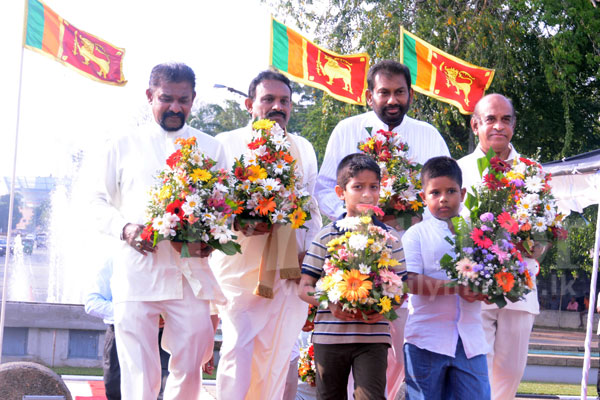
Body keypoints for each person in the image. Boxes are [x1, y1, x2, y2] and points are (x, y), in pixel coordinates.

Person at [314, 59, 450, 399]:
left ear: (411, 94)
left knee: (397, 351)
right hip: (351, 265)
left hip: (408, 260)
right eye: (384, 92)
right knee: (346, 362)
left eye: (399, 92)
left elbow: (444, 195)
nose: (392, 100)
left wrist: (412, 220)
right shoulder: (347, 129)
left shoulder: (428, 135)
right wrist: (359, 226)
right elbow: (324, 189)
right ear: (368, 95)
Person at [91, 62, 226, 400]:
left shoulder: (210, 147)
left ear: (194, 99)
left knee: (195, 349)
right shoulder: (121, 143)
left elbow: (224, 209)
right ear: (149, 96)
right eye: (166, 98)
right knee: (138, 367)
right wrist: (125, 229)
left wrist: (210, 239)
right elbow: (93, 202)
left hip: (189, 270)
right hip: (136, 269)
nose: (175, 107)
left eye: (184, 99)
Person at [210, 70, 322, 399]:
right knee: (238, 349)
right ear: (250, 104)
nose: (277, 106)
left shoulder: (303, 147)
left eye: (284, 101)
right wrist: (240, 221)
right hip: (239, 268)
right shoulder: (227, 144)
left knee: (278, 353)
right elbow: (213, 206)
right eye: (268, 99)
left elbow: (310, 208)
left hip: (289, 268)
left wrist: (311, 258)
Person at [299, 153, 405, 400]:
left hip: (373, 337)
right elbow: (304, 287)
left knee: (371, 397)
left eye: (373, 187)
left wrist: (387, 307)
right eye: (358, 187)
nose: (367, 194)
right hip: (330, 338)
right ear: (340, 192)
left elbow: (401, 287)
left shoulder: (389, 237)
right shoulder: (326, 235)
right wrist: (329, 303)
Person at [457, 93, 541, 400]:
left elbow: (543, 231)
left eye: (506, 119)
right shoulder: (457, 170)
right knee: (477, 367)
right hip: (475, 287)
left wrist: (537, 246)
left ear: (514, 125)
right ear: (475, 124)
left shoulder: (532, 172)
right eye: (490, 119)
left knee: (510, 372)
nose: (498, 126)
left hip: (521, 283)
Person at [402, 156, 490, 400]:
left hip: (471, 341)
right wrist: (456, 287)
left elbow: (491, 275)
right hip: (426, 340)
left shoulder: (479, 233)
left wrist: (490, 289)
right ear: (423, 197)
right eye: (435, 192)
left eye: (451, 191)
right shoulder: (415, 235)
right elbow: (409, 280)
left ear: (462, 193)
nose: (443, 198)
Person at [84, 260, 171, 400]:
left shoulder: (167, 258)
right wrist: (133, 313)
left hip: (161, 337)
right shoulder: (113, 260)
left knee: (160, 390)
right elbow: (92, 302)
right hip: (120, 332)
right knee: (116, 389)